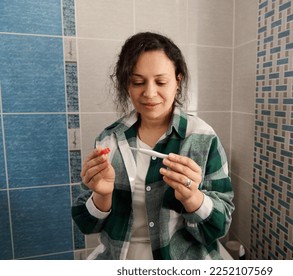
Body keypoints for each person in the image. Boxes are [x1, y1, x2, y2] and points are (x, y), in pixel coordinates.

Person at [72, 32, 234, 260]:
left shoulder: (202, 138)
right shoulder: (109, 140)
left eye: (161, 82)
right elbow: (87, 225)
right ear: (127, 84)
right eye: (138, 82)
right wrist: (102, 195)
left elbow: (220, 226)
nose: (149, 93)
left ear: (178, 81)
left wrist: (192, 199)